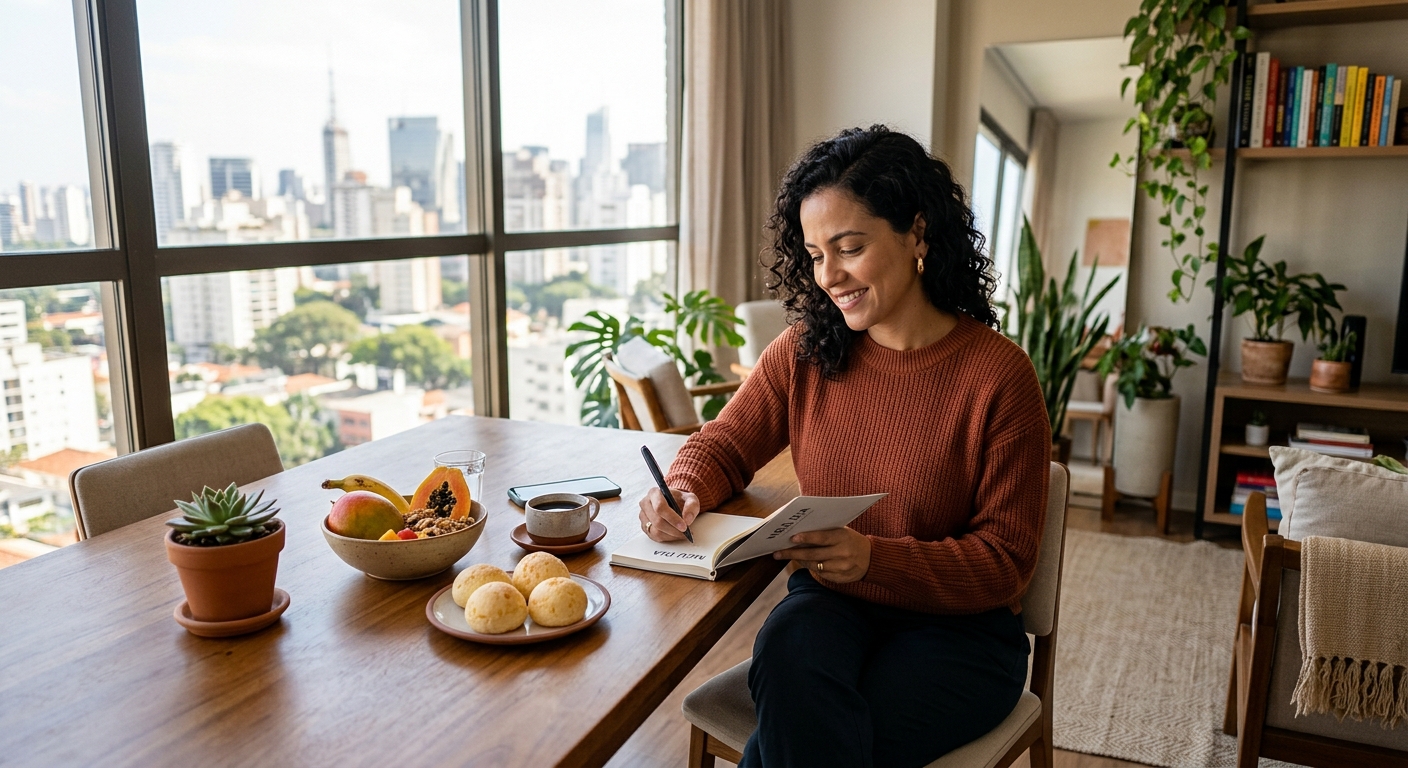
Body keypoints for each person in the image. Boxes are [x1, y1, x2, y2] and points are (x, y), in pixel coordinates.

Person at [637, 125, 1051, 768]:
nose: (828, 275)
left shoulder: (999, 377)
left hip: (961, 633)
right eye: (813, 253)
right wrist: (684, 487)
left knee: (825, 742)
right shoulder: (807, 352)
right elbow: (722, 443)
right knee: (788, 657)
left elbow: (1005, 565)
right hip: (831, 604)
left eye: (849, 247)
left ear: (917, 233)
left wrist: (873, 559)